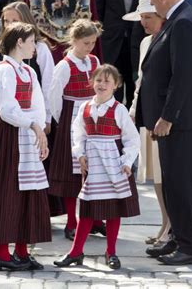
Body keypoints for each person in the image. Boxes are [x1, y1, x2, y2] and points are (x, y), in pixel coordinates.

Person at [136, 0, 192, 265]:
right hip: (172, 121)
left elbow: (183, 77)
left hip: (181, 120)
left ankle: (190, 247)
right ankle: (178, 237)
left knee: (180, 183)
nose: (154, 5)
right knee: (170, 181)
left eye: (154, 0)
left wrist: (167, 117)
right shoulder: (177, 18)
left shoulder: (183, 23)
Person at [54, 64, 140, 270]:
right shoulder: (85, 108)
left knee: (112, 210)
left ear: (116, 85)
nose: (102, 85)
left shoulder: (119, 110)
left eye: (107, 81)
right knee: (87, 210)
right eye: (98, 80)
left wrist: (127, 162)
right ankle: (76, 252)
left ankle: (111, 251)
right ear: (92, 82)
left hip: (114, 167)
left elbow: (132, 139)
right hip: (93, 167)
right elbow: (78, 134)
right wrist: (80, 154)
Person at [0, 22, 51, 271]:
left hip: (27, 135)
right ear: (19, 42)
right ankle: (1, 253)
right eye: (32, 41)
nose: (35, 46)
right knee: (6, 192)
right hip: (10, 136)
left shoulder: (28, 71)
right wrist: (32, 124)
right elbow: (8, 109)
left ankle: (21, 251)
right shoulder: (5, 71)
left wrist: (39, 130)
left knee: (27, 194)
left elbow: (39, 102)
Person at [0, 2, 55, 206]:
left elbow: (48, 86)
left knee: (32, 162)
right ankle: (4, 209)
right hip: (6, 113)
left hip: (32, 114)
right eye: (6, 21)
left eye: (14, 20)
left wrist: (45, 117)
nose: (8, 24)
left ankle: (28, 213)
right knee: (5, 162)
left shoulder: (40, 48)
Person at [48, 19, 106, 240]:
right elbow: (54, 97)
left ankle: (94, 219)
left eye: (92, 43)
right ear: (74, 40)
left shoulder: (94, 61)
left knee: (94, 171)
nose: (89, 47)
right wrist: (62, 124)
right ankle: (72, 222)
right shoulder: (64, 66)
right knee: (73, 174)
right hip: (72, 118)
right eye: (85, 43)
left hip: (93, 117)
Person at [125, 0, 171, 247]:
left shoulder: (170, 39)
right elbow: (140, 82)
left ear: (161, 17)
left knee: (167, 175)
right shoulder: (144, 42)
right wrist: (133, 109)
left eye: (148, 17)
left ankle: (172, 226)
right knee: (155, 175)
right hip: (147, 115)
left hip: (165, 119)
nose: (143, 22)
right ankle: (165, 222)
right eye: (141, 17)